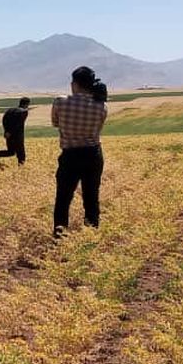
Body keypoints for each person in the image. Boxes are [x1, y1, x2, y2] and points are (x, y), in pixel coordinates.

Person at [50, 67, 108, 237]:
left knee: (63, 198)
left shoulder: (60, 102)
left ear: (74, 84)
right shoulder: (102, 107)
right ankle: (91, 234)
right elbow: (98, 129)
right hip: (93, 155)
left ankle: (60, 235)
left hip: (70, 156)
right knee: (91, 197)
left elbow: (55, 123)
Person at [0, 97, 30, 165]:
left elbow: (4, 120)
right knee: (21, 153)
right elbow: (18, 124)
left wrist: (6, 131)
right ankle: (22, 169)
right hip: (17, 135)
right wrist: (11, 132)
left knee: (11, 152)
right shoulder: (24, 112)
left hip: (8, 135)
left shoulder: (10, 110)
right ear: (27, 104)